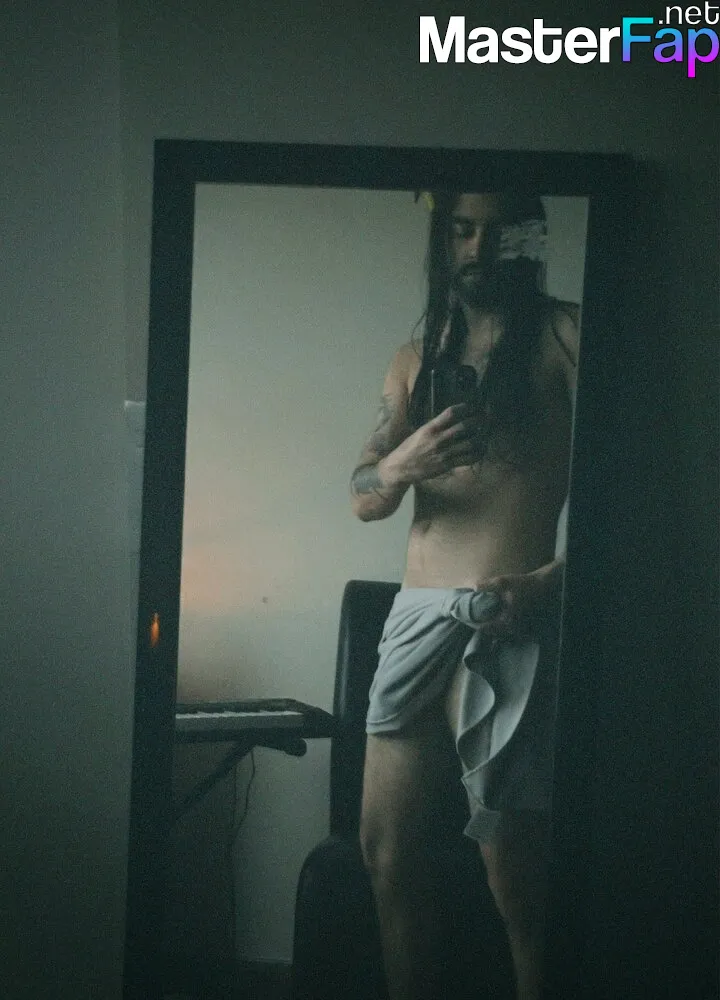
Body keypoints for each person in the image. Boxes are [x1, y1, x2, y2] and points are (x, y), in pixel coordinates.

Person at [349, 191, 579, 1000]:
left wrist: (547, 586)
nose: (480, 248)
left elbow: (630, 500)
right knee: (386, 853)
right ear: (443, 239)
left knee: (517, 879)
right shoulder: (416, 357)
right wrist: (401, 465)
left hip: (511, 615)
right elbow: (364, 496)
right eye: (462, 229)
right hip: (415, 618)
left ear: (530, 239)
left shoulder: (568, 335)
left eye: (499, 231)